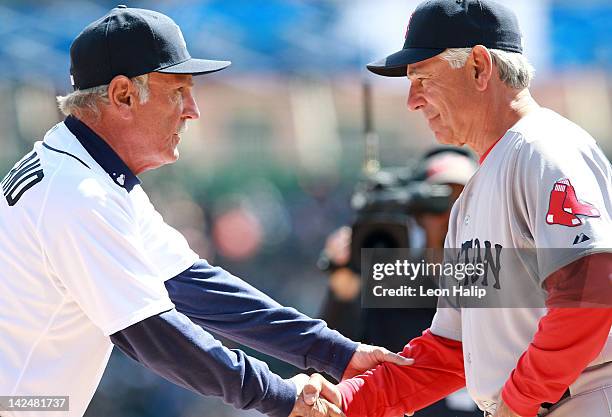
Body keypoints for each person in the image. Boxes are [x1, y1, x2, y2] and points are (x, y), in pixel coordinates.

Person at [0, 6, 412, 417]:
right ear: (123, 94)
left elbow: (194, 286)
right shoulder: (77, 193)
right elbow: (151, 331)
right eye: (177, 91)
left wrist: (337, 353)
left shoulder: (84, 168)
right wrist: (280, 397)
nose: (193, 109)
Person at [303, 1, 612, 417]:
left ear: (480, 67)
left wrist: (519, 399)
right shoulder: (480, 186)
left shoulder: (543, 149)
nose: (412, 100)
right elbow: (452, 348)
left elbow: (591, 291)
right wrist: (348, 399)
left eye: (423, 78)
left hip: (584, 399)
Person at [319, 147, 482, 417]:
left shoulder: (506, 287)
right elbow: (326, 376)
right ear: (418, 214)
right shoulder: (389, 285)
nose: (453, 215)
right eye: (438, 202)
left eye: (466, 200)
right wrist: (343, 291)